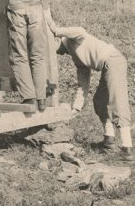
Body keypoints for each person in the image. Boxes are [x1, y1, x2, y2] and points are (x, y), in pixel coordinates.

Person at [46, 15, 133, 161]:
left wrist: (55, 30)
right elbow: (83, 83)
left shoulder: (73, 38)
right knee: (99, 101)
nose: (58, 53)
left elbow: (80, 30)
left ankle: (127, 149)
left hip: (114, 61)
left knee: (117, 103)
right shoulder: (76, 56)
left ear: (56, 40)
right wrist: (77, 107)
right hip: (107, 67)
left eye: (54, 49)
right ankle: (109, 140)